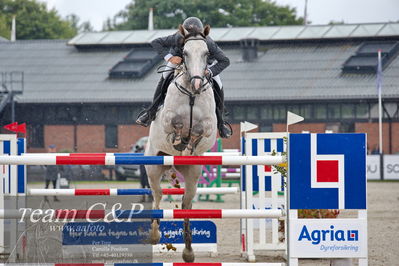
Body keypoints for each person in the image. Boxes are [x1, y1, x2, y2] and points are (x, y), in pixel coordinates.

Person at [136, 17, 232, 138]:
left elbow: (225, 61)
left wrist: (211, 71)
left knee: (219, 85)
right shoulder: (177, 37)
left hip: (204, 64)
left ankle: (221, 122)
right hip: (180, 61)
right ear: (184, 35)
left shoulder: (208, 42)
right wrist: (169, 57)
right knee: (164, 77)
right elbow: (156, 42)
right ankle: (151, 112)